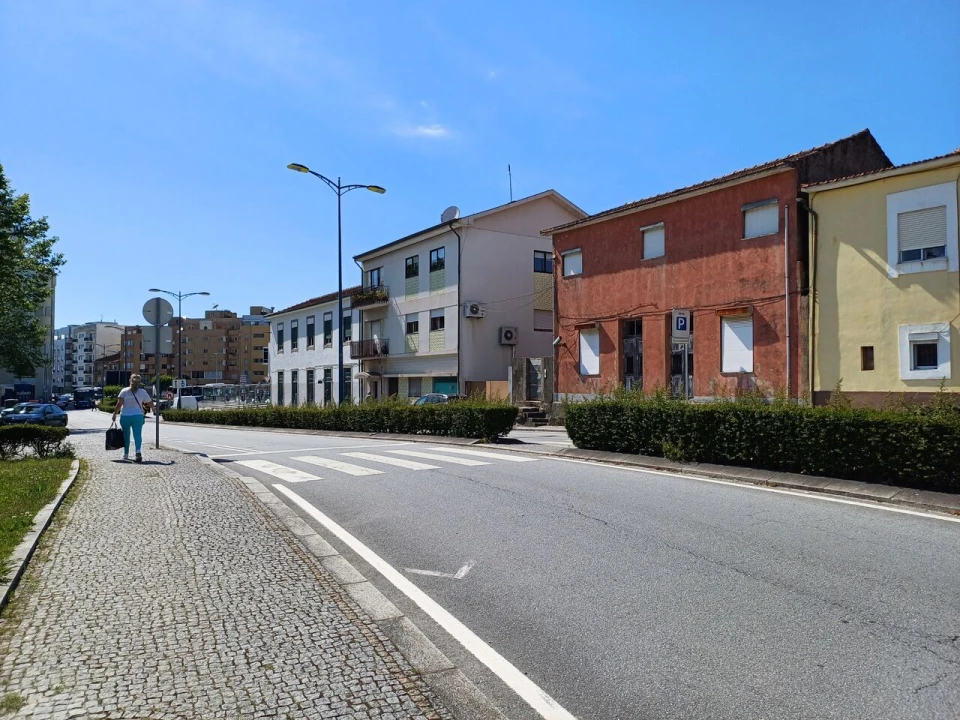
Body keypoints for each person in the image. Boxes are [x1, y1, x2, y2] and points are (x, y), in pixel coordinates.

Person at [111, 374, 152, 462]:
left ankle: (126, 454)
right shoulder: (142, 392)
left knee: (126, 436)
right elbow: (150, 403)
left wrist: (114, 413)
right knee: (137, 435)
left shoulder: (124, 391)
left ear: (130, 381)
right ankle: (138, 452)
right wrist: (155, 410)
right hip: (138, 416)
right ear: (139, 382)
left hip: (125, 416)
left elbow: (119, 404)